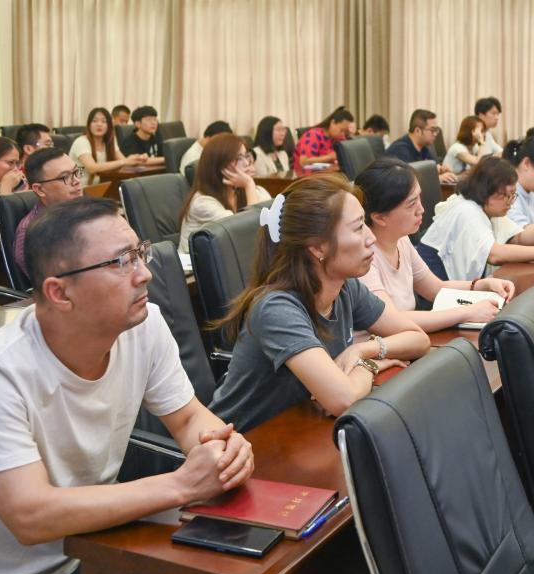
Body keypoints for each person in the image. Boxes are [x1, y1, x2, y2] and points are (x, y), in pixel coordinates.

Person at [0, 198, 254, 574]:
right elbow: (30, 515)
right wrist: (181, 483)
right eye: (121, 262)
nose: (145, 274)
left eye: (140, 253)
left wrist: (227, 450)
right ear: (59, 292)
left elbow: (189, 419)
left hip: (100, 547)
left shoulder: (145, 324)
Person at [209, 174, 430, 431]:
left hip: (304, 428)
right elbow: (343, 399)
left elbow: (418, 339)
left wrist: (360, 350)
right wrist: (369, 365)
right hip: (243, 443)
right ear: (317, 248)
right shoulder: (276, 309)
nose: (371, 238)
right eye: (358, 227)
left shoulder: (345, 287)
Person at [355, 158, 515, 330]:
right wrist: (467, 312)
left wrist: (481, 285)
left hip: (407, 337)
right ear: (379, 217)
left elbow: (436, 288)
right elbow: (391, 319)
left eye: (419, 198)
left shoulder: (401, 239)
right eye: (411, 204)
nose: (421, 209)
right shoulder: (363, 257)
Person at [421, 156, 534, 280]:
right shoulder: (467, 210)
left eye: (513, 195)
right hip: (435, 289)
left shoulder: (487, 208)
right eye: (508, 195)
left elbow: (517, 237)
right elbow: (495, 255)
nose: (511, 202)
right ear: (487, 190)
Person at [177, 133, 272, 254]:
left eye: (246, 156)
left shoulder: (246, 191)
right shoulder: (202, 203)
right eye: (239, 158)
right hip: (194, 265)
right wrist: (249, 184)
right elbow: (249, 232)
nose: (246, 163)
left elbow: (271, 223)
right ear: (219, 165)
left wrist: (250, 187)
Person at [13, 148, 85, 276]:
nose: (76, 181)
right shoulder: (32, 235)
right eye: (65, 177)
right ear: (39, 189)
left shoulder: (86, 212)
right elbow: (59, 282)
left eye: (76, 172)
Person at [69, 107, 146, 183]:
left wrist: (138, 158)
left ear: (109, 125)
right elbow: (92, 168)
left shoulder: (110, 141)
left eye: (104, 121)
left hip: (102, 186)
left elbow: (125, 163)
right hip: (78, 188)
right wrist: (124, 161)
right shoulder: (81, 142)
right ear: (89, 125)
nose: (99, 124)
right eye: (94, 121)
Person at [385, 109, 457, 184]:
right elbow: (406, 182)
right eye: (432, 130)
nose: (435, 134)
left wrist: (441, 169)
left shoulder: (423, 147)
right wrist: (436, 179)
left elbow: (432, 168)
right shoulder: (399, 150)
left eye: (436, 130)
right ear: (418, 131)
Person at [293, 106, 354, 176]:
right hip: (307, 176)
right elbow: (304, 161)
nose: (343, 134)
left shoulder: (337, 138)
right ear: (333, 123)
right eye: (342, 130)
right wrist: (330, 157)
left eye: (345, 132)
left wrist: (351, 134)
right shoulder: (313, 135)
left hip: (328, 174)